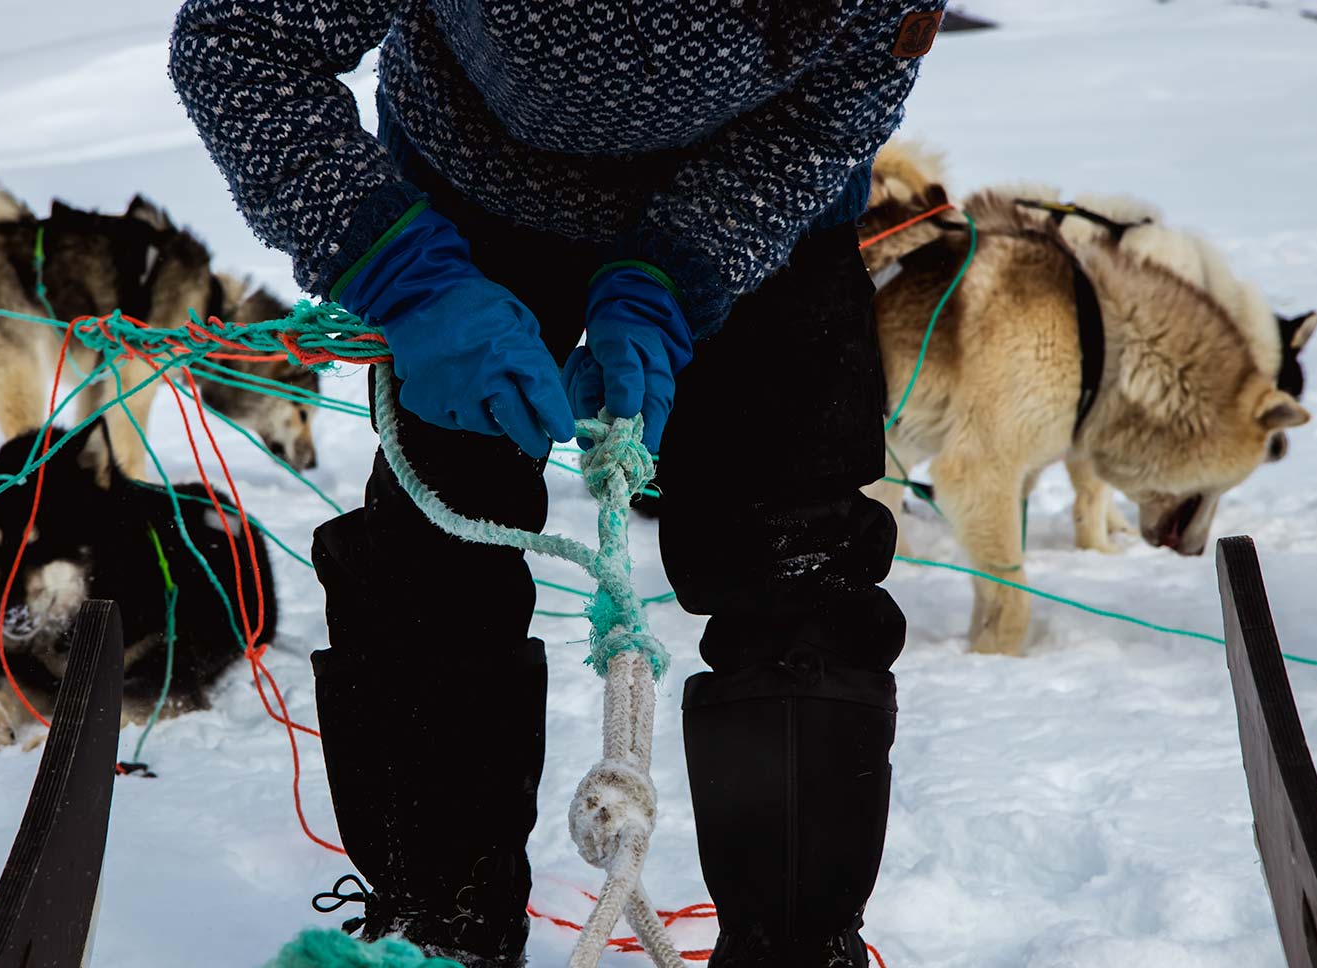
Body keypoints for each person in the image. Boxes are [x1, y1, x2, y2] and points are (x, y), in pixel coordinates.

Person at [170, 3, 944, 965]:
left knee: (798, 569)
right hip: (470, 186)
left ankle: (798, 945)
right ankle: (440, 930)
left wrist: (676, 275)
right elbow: (242, 40)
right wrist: (402, 274)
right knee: (434, 555)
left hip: (760, 203)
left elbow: (837, 102)